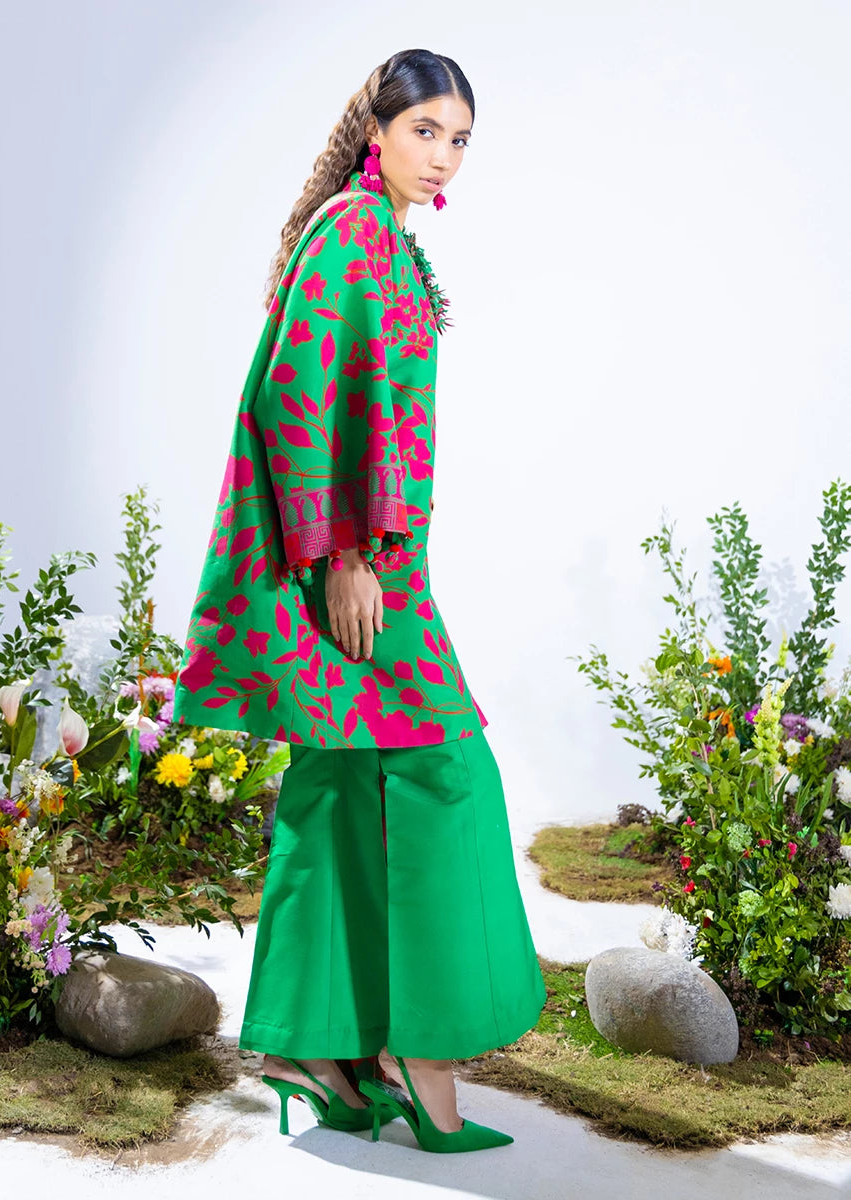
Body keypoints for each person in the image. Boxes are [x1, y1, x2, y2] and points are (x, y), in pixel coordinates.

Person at [171, 47, 546, 1153]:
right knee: (445, 777)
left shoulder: (387, 238)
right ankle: (419, 1062)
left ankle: (316, 1050)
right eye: (427, 129)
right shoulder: (354, 231)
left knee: (338, 785)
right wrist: (343, 556)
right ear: (376, 130)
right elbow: (295, 393)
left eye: (461, 138)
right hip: (355, 569)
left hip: (379, 563)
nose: (445, 155)